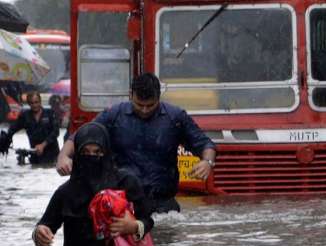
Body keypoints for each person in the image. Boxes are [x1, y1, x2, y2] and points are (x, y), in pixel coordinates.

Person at [56, 73, 216, 213]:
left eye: (150, 105)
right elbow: (81, 136)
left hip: (163, 203)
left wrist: (207, 161)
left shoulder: (175, 117)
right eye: (139, 105)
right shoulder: (114, 115)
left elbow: (205, 144)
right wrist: (63, 156)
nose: (145, 110)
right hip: (123, 202)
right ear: (130, 95)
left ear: (159, 98)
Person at [33, 122, 154, 246]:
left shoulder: (126, 183)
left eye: (98, 152)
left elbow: (148, 221)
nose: (91, 157)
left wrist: (133, 227)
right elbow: (44, 226)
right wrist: (39, 234)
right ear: (77, 155)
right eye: (85, 152)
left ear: (107, 152)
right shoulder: (66, 192)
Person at [5, 91, 60, 164]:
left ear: (40, 102)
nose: (34, 105)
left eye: (36, 102)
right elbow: (13, 129)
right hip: (35, 154)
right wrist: (5, 139)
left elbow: (56, 132)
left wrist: (43, 145)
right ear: (28, 104)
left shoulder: (50, 113)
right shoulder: (25, 116)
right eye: (32, 103)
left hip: (52, 155)